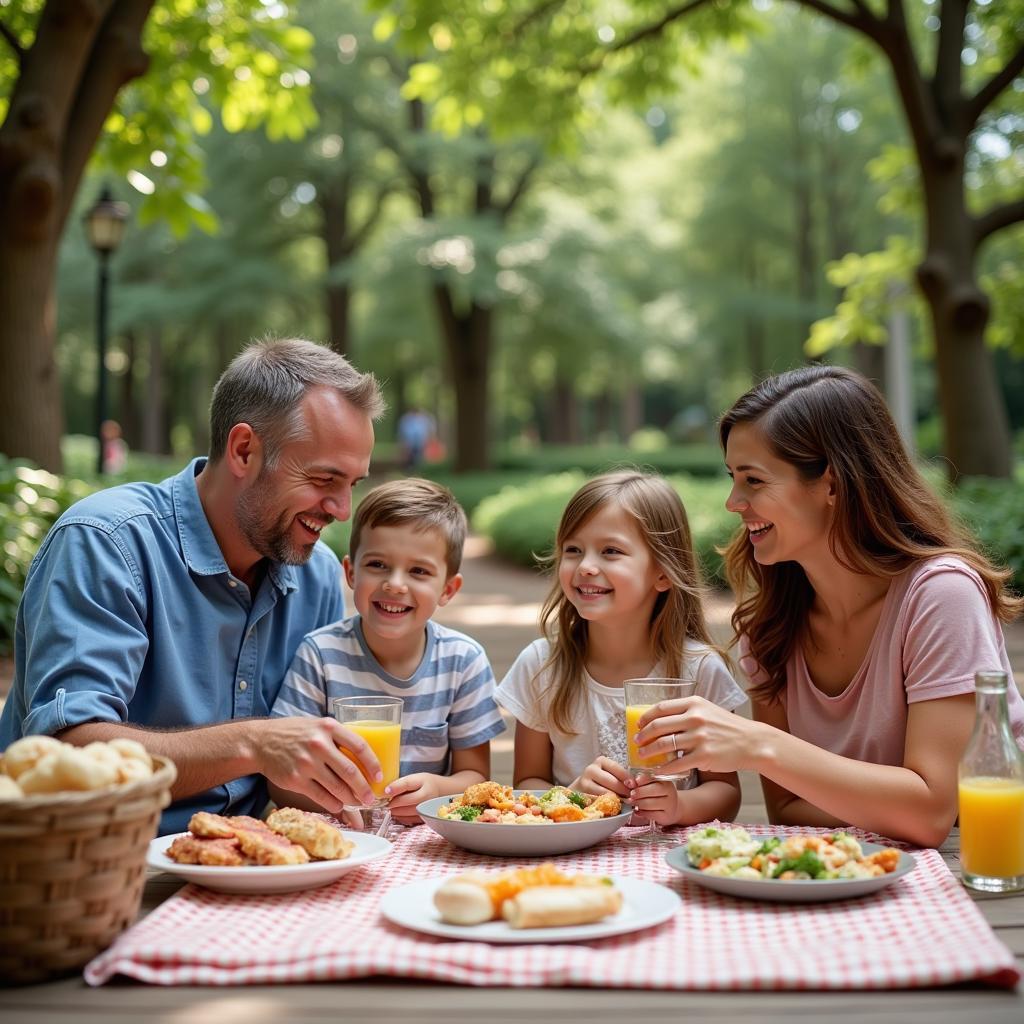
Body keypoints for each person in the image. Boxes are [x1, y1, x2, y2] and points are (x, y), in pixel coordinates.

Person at [0, 338, 390, 835]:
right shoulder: (107, 543)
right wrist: (255, 744)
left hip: (247, 862)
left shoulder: (314, 574)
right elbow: (71, 748)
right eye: (323, 479)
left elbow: (300, 767)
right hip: (97, 866)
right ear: (244, 450)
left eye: (353, 484)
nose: (342, 510)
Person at [634, 365, 1024, 847]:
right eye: (733, 478)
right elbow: (788, 812)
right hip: (855, 870)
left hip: (987, 866)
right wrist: (885, 800)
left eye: (754, 480)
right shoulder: (770, 625)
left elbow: (928, 815)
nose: (735, 502)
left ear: (832, 485)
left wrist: (758, 745)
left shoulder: (940, 596)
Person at [495, 470, 746, 829]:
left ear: (662, 573)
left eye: (610, 551)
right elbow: (527, 784)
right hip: (575, 858)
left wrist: (679, 806)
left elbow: (725, 791)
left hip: (668, 858)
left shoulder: (700, 670)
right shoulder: (541, 665)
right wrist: (572, 796)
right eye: (573, 550)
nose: (585, 567)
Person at [271, 478, 505, 824]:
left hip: (425, 837)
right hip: (342, 833)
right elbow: (280, 778)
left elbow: (475, 777)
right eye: (377, 565)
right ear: (350, 572)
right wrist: (337, 802)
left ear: (448, 589)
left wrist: (437, 790)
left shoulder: (463, 662)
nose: (395, 584)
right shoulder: (320, 656)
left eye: (419, 571)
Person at [396, 405, 436, 472]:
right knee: (410, 456)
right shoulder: (406, 419)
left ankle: (417, 469)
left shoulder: (422, 419)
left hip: (420, 442)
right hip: (410, 442)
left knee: (418, 456)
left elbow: (426, 430)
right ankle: (410, 470)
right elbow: (403, 431)